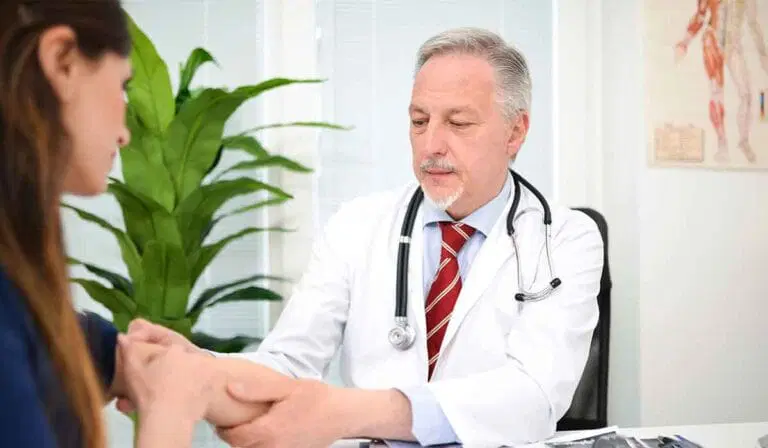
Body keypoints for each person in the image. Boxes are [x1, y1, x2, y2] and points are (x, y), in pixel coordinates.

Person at [126, 27, 604, 447]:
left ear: (515, 132)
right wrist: (205, 371)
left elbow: (534, 395)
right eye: (419, 121)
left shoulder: (565, 239)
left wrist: (344, 413)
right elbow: (290, 362)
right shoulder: (358, 224)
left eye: (458, 123)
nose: (431, 144)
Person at [0, 1, 295, 446]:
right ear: (62, 60)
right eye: (122, 86)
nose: (125, 132)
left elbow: (168, 371)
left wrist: (350, 411)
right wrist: (170, 413)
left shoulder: (32, 303)